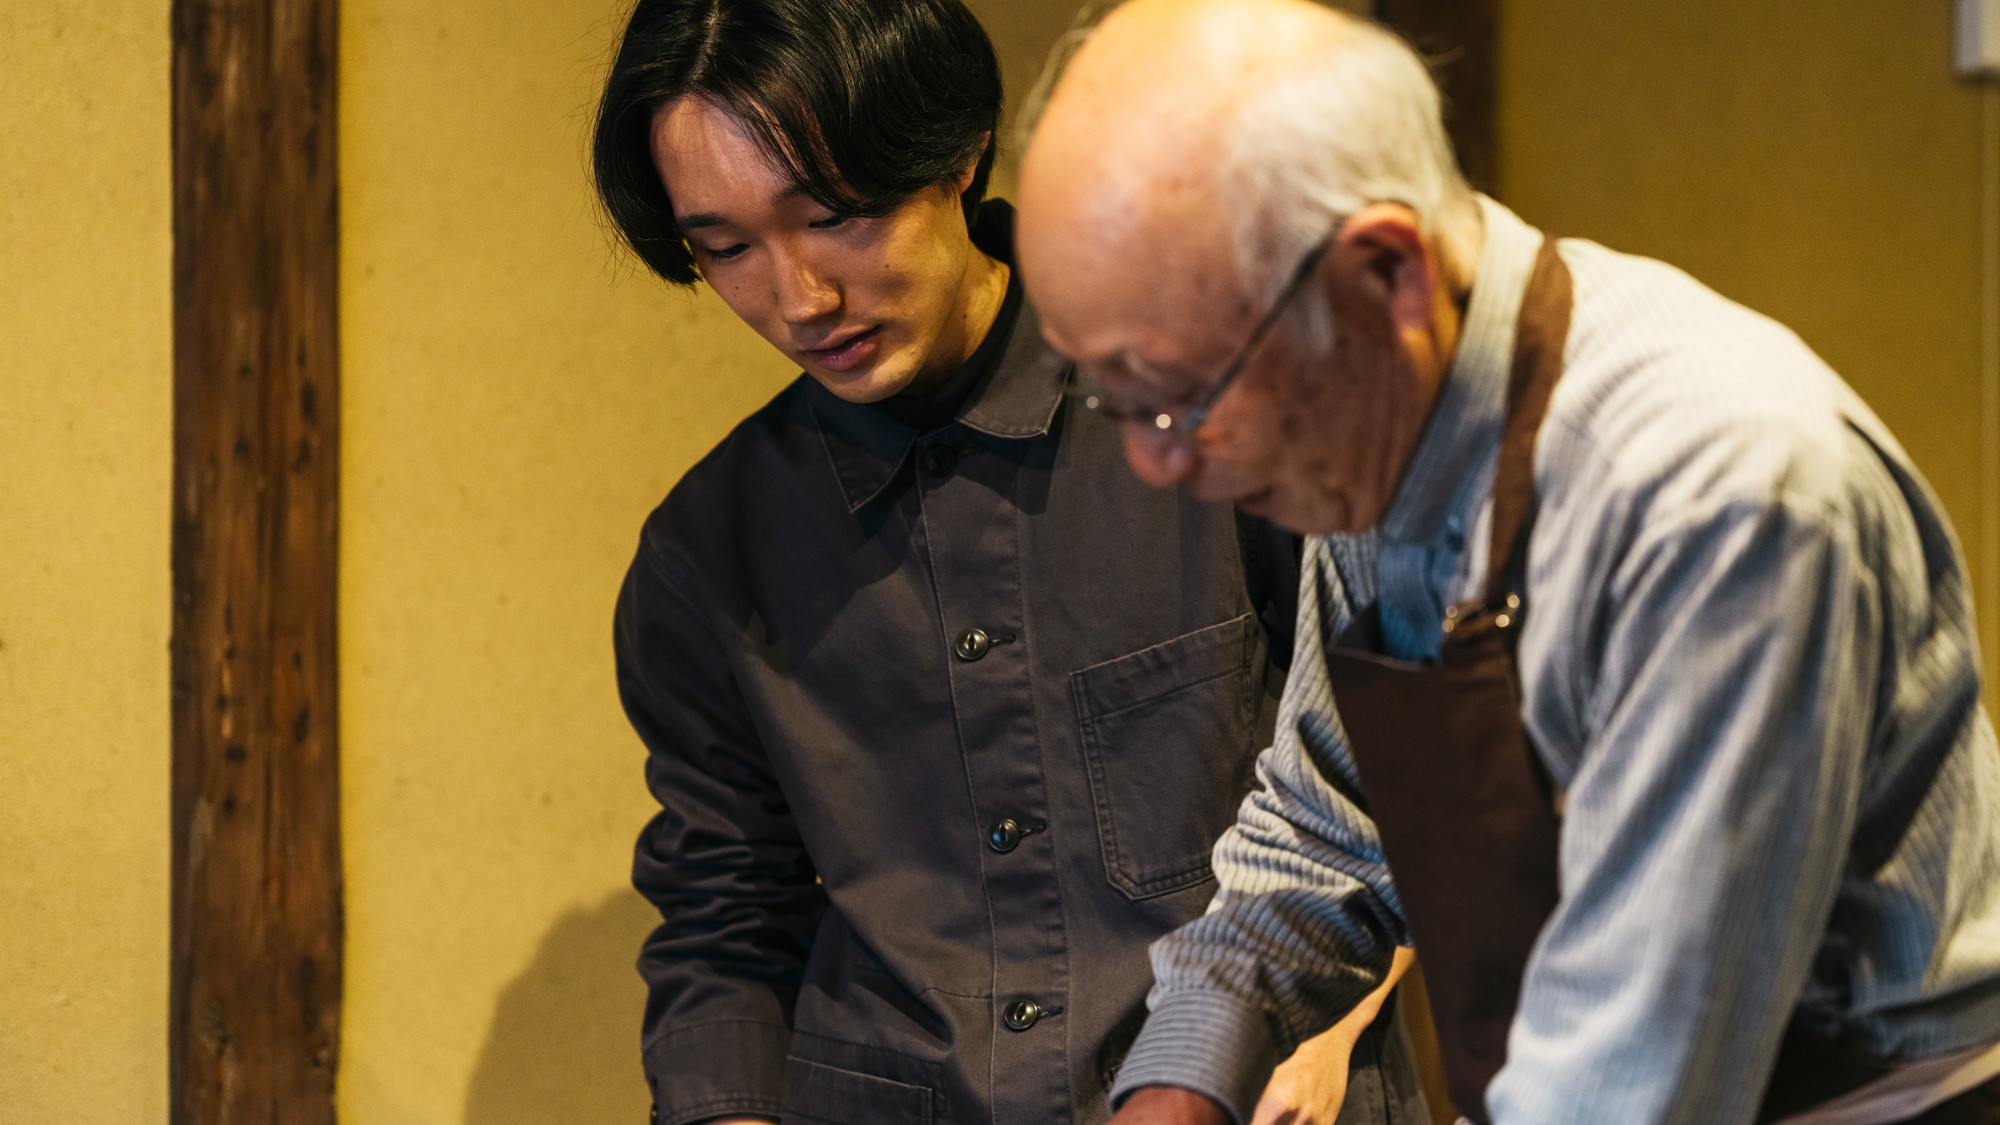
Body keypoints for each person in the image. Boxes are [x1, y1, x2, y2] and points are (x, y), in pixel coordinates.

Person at [1010, 1, 2000, 1124]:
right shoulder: (1370, 430)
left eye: (1181, 397)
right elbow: (1329, 820)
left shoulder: (1717, 494)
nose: (1153, 462)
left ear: (1385, 276)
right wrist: (1183, 1075)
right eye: (1116, 401)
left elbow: (1635, 1069)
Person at [590, 2, 1430, 1123]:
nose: (798, 299)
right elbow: (724, 919)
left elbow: (1412, 762)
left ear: (954, 153)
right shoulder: (709, 552)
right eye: (727, 248)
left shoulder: (1222, 405)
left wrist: (1328, 1021)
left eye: (834, 215)